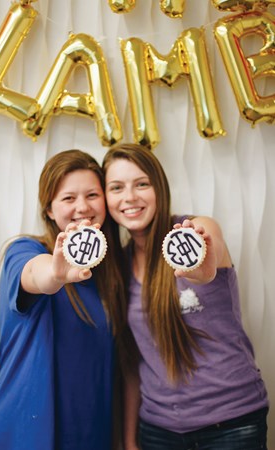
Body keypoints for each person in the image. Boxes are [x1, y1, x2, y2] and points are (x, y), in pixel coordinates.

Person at [102, 143, 269, 450]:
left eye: (142, 184)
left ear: (160, 188)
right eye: (116, 188)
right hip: (157, 430)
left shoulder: (196, 230)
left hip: (231, 424)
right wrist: (128, 441)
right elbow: (133, 364)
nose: (130, 197)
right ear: (106, 198)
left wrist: (199, 270)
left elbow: (205, 262)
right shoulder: (117, 267)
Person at [0, 149, 126, 450]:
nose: (83, 207)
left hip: (91, 432)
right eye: (68, 198)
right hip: (27, 434)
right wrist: (57, 274)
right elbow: (36, 275)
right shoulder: (24, 250)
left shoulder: (113, 271)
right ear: (49, 209)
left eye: (92, 195)